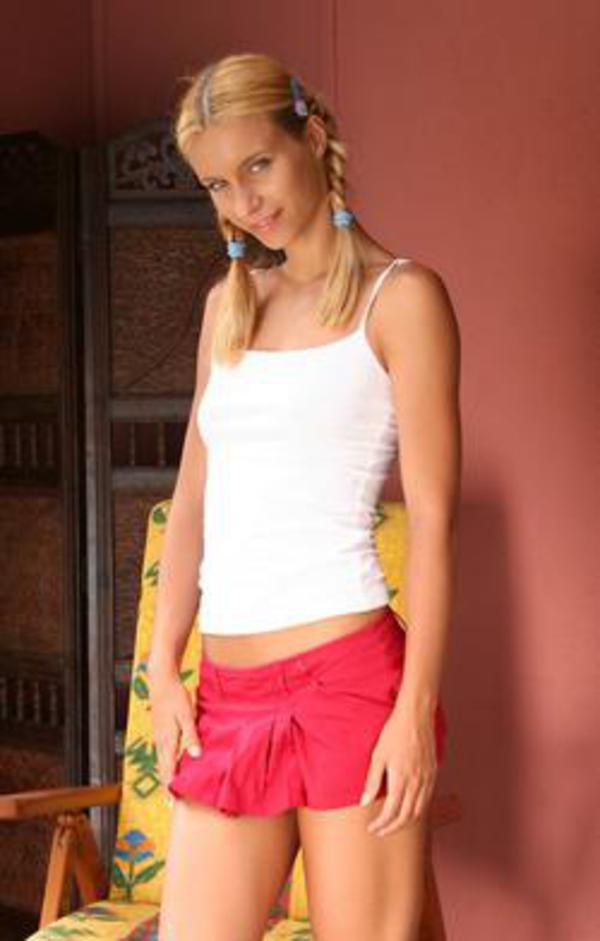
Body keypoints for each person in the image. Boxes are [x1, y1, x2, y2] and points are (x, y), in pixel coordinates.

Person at [148, 52, 461, 941]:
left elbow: (433, 525)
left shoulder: (402, 299)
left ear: (311, 139)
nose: (244, 201)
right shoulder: (229, 305)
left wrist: (413, 713)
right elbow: (192, 501)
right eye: (219, 183)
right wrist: (163, 670)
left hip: (350, 684)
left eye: (258, 164)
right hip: (226, 694)